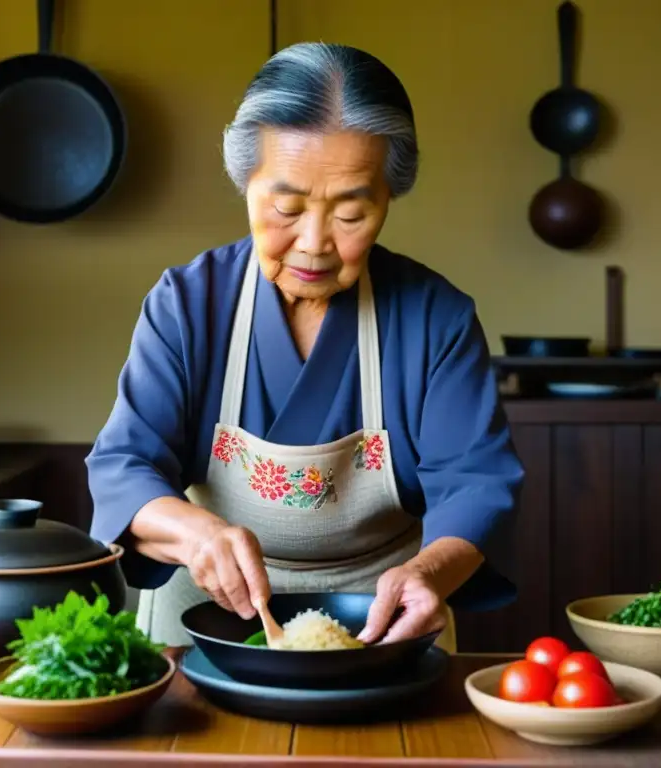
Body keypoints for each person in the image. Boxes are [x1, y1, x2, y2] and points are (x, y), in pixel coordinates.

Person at [86, 42, 525, 651]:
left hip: (383, 621)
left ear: (388, 199)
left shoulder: (435, 317)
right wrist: (195, 536)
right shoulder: (187, 304)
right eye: (286, 207)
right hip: (204, 617)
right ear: (244, 182)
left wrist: (428, 575)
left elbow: (476, 482)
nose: (315, 244)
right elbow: (123, 468)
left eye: (352, 215)